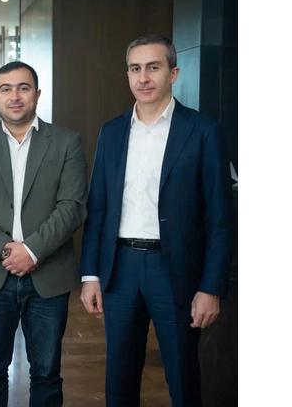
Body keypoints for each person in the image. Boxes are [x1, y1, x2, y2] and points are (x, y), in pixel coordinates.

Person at [79, 34, 232, 407]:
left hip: (176, 272)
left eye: (153, 67)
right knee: (119, 381)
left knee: (183, 379)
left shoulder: (203, 131)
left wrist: (211, 287)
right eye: (135, 68)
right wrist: (90, 275)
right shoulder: (112, 131)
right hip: (120, 269)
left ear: (173, 73)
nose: (143, 78)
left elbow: (220, 218)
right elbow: (98, 208)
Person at [0, 61, 88, 407]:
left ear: (37, 94)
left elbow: (72, 205)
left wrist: (31, 251)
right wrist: (5, 249)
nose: (15, 96)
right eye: (6, 89)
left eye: (23, 88)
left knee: (46, 373)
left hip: (48, 275)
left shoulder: (66, 142)